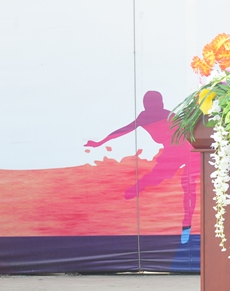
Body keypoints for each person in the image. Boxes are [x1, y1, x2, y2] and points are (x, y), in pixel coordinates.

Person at [85, 90, 200, 244]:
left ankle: (187, 225)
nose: (154, 107)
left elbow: (190, 134)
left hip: (189, 152)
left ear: (162, 104)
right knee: (156, 177)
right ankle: (140, 186)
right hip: (172, 153)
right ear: (146, 106)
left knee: (188, 186)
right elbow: (123, 130)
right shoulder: (144, 117)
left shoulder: (170, 116)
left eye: (157, 104)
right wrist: (100, 142)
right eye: (150, 104)